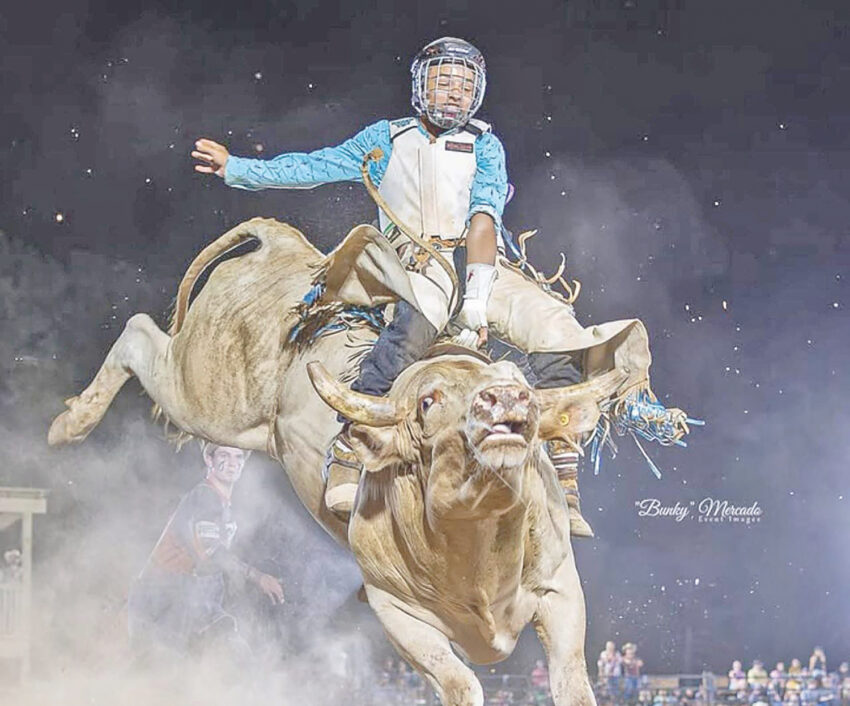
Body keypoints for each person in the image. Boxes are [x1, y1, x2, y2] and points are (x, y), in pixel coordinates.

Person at [192, 37, 696, 538]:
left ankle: (563, 462)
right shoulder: (387, 139)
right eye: (444, 81)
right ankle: (350, 447)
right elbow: (313, 166)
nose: (455, 93)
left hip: (481, 264)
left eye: (465, 85)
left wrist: (476, 298)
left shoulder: (485, 144)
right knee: (414, 328)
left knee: (557, 327)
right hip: (419, 265)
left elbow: (484, 218)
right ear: (420, 86)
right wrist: (237, 168)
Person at [127, 443, 284, 662]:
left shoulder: (221, 502)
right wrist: (257, 577)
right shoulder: (204, 496)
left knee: (231, 659)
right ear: (209, 460)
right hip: (163, 601)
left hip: (184, 601)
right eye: (224, 455)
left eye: (238, 457)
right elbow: (210, 553)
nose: (232, 463)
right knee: (170, 670)